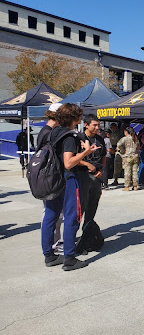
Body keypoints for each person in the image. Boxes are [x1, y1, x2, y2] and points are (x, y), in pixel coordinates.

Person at [41, 103, 99, 271]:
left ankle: (49, 255)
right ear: (75, 118)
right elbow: (68, 163)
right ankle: (69, 258)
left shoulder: (52, 133)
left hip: (53, 180)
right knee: (72, 218)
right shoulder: (69, 136)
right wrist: (86, 153)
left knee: (50, 217)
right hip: (68, 180)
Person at [37, 103, 63, 253]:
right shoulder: (48, 133)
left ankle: (53, 242)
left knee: (54, 214)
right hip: (49, 177)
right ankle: (51, 245)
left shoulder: (46, 131)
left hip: (48, 176)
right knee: (51, 214)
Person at [76, 115, 106, 236]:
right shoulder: (78, 138)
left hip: (96, 177)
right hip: (82, 176)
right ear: (86, 125)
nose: (97, 128)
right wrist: (87, 164)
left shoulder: (100, 139)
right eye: (94, 125)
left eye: (98, 125)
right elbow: (71, 158)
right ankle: (72, 236)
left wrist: (101, 169)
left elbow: (103, 156)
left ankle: (87, 231)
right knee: (80, 207)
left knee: (93, 205)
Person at [117, 127, 140, 191]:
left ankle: (127, 186)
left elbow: (119, 145)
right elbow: (138, 148)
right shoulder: (136, 138)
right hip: (135, 156)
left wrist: (122, 150)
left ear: (126, 132)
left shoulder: (125, 138)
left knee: (127, 172)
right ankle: (135, 186)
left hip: (128, 156)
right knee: (135, 172)